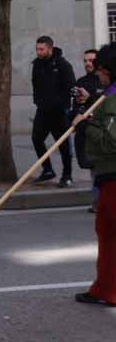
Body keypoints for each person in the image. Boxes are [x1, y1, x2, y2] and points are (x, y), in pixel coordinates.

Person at [72, 44, 116, 307]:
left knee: (109, 233)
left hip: (113, 176)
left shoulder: (113, 100)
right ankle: (103, 287)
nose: (97, 75)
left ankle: (106, 290)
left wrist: (87, 125)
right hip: (109, 176)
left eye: (100, 70)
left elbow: (111, 142)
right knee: (107, 231)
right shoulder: (108, 96)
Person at [31, 36, 76, 187]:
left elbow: (70, 88)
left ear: (50, 49)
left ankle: (67, 175)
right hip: (42, 110)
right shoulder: (37, 64)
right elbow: (35, 84)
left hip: (59, 111)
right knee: (37, 138)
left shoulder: (63, 65)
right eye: (37, 49)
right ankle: (47, 169)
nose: (38, 52)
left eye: (41, 49)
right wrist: (38, 101)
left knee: (63, 144)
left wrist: (59, 103)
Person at [74, 50, 103, 212]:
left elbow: (106, 103)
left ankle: (101, 202)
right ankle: (99, 201)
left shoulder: (107, 83)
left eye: (91, 60)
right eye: (85, 60)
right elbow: (76, 106)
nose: (87, 63)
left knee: (102, 170)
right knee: (94, 170)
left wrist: (90, 97)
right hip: (87, 133)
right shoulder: (80, 82)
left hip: (104, 135)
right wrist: (77, 113)